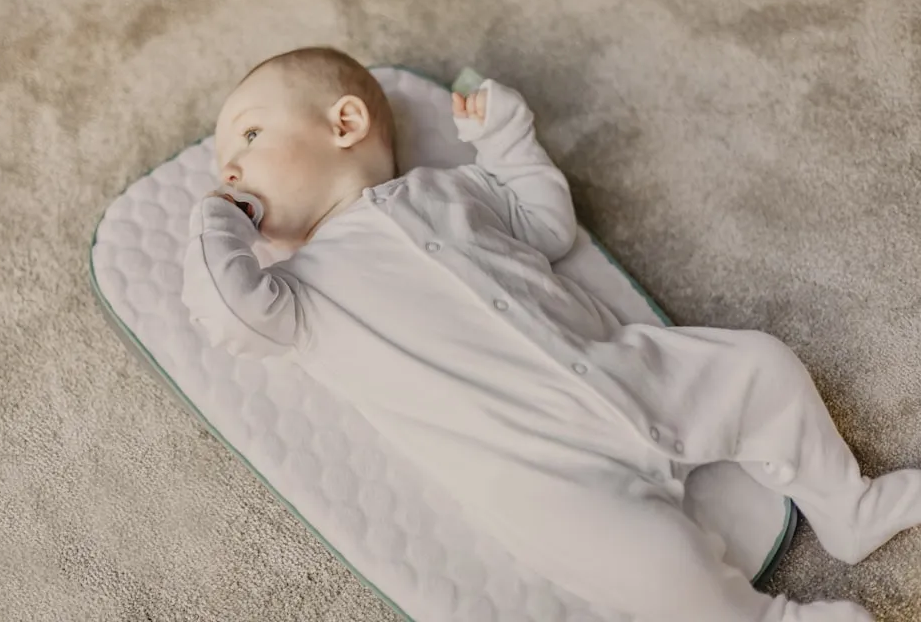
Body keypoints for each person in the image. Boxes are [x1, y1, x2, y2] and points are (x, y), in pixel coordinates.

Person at [181, 46, 921, 622]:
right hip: (544, 475)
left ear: (344, 124)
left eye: (247, 136)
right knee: (655, 564)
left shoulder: (451, 190)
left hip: (629, 371)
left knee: (760, 366)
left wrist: (506, 138)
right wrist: (217, 218)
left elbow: (545, 226)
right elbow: (227, 311)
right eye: (224, 166)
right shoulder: (297, 294)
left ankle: (845, 505)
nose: (233, 167)